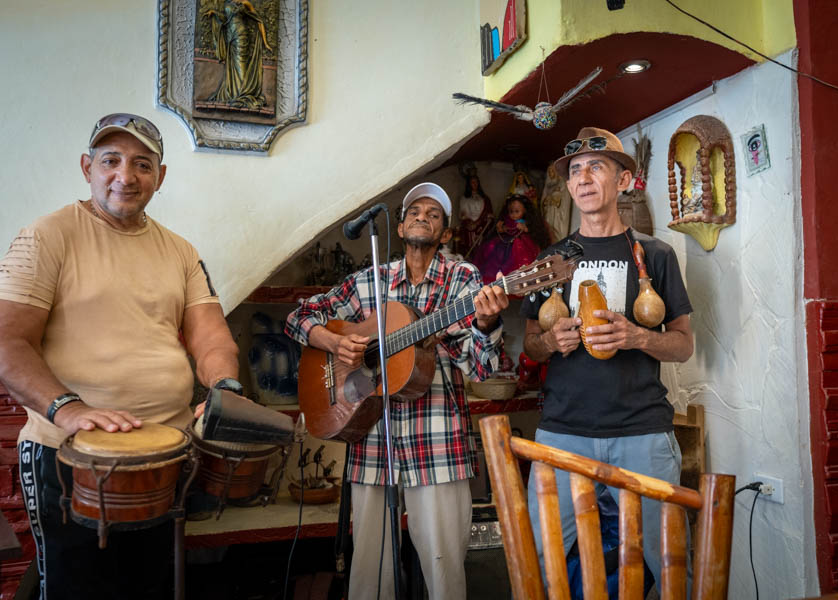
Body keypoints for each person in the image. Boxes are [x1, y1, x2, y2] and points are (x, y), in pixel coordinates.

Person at [0, 113, 241, 599]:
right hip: (67, 456)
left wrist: (224, 391)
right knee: (78, 591)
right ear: (87, 167)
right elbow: (7, 342)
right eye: (110, 161)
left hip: (166, 456)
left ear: (161, 176)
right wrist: (70, 410)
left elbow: (211, 336)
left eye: (142, 164)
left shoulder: (181, 250)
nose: (125, 176)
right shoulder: (47, 236)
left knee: (152, 588)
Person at [285, 182, 508, 600]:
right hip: (372, 446)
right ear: (401, 228)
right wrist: (333, 343)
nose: (422, 216)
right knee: (369, 577)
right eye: (414, 212)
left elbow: (480, 367)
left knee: (444, 576)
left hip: (438, 448)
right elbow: (300, 316)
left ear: (444, 234)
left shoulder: (464, 281)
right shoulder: (370, 280)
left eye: (434, 213)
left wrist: (486, 324)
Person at [520, 127, 694, 593]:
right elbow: (529, 343)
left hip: (642, 432)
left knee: (667, 562)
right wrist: (551, 341)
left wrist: (638, 337)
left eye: (596, 167)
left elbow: (683, 344)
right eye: (575, 171)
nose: (583, 178)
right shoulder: (549, 260)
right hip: (562, 431)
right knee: (543, 559)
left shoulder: (655, 255)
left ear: (623, 182)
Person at [472, 193, 549, 280]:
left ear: (525, 211)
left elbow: (528, 230)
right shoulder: (507, 220)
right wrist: (501, 228)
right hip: (505, 242)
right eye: (511, 212)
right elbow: (505, 229)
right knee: (493, 251)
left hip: (519, 242)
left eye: (517, 211)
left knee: (517, 258)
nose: (513, 215)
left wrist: (524, 228)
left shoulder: (524, 221)